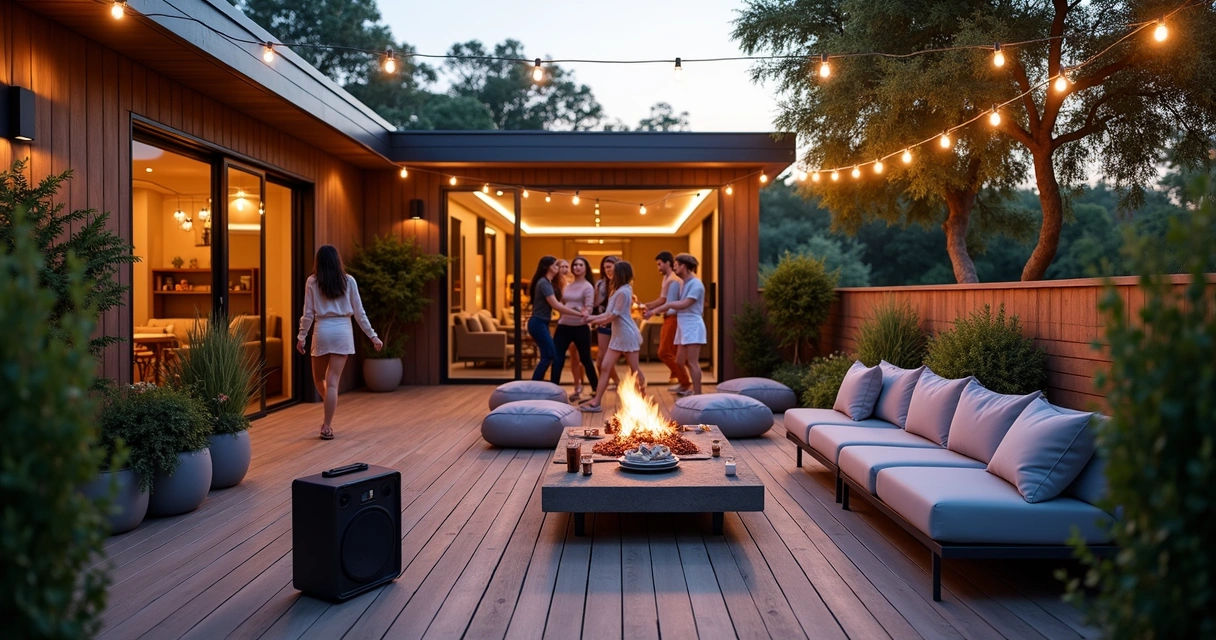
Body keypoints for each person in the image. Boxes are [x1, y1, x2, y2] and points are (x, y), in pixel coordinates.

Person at [297, 245, 382, 440]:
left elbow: (308, 313)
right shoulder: (349, 281)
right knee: (333, 382)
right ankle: (327, 425)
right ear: (337, 261)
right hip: (343, 331)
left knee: (319, 379)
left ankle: (329, 405)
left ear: (318, 262)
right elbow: (359, 313)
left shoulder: (312, 281)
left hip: (322, 330)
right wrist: (373, 336)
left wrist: (302, 336)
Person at [582, 261, 645, 412]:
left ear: (620, 274)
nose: (611, 273)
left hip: (627, 335)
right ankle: (596, 402)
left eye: (614, 271)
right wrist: (591, 318)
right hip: (618, 336)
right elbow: (608, 314)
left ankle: (643, 400)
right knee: (605, 367)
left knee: (635, 370)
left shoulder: (623, 291)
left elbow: (613, 316)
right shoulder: (619, 290)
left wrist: (593, 320)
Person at [645, 253, 706, 396]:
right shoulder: (683, 283)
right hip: (683, 325)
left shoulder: (696, 284)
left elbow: (684, 304)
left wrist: (661, 308)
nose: (674, 268)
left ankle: (698, 394)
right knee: (679, 361)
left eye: (676, 265)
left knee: (693, 362)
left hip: (692, 325)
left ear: (684, 266)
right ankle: (686, 386)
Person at [527, 256, 587, 381]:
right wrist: (579, 314)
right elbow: (556, 306)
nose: (558, 268)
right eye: (555, 265)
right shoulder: (544, 283)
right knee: (549, 356)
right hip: (538, 323)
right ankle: (534, 385)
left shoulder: (548, 283)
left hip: (541, 323)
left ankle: (536, 385)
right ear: (547, 267)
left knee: (548, 356)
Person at [552, 256, 599, 400]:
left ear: (585, 268)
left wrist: (584, 312)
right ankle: (552, 390)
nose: (577, 267)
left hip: (580, 327)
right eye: (575, 265)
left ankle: (596, 389)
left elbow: (589, 307)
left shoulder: (588, 286)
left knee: (585, 359)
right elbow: (561, 303)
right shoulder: (567, 285)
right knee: (557, 358)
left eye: (580, 265)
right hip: (564, 325)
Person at [643, 251, 690, 391]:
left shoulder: (673, 281)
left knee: (664, 352)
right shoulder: (667, 279)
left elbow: (669, 304)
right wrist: (645, 306)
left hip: (673, 318)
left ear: (668, 263)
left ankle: (684, 381)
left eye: (659, 264)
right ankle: (682, 382)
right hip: (669, 318)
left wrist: (653, 311)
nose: (658, 268)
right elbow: (662, 300)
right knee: (674, 353)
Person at [593, 255, 621, 390]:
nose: (607, 270)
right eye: (605, 268)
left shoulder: (622, 285)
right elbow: (595, 303)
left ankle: (620, 384)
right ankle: (615, 382)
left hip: (618, 322)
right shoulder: (600, 284)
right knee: (601, 358)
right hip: (603, 321)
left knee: (615, 357)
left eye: (610, 267)